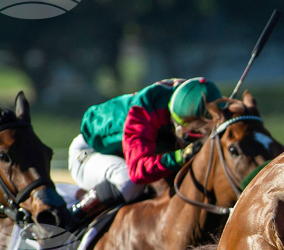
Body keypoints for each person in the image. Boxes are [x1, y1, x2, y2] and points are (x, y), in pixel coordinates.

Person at [68, 77, 222, 225]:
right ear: (174, 121)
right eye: (187, 137)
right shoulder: (141, 114)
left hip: (128, 153)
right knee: (127, 182)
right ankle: (73, 216)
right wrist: (181, 156)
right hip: (88, 154)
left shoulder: (192, 97)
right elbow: (138, 171)